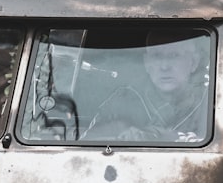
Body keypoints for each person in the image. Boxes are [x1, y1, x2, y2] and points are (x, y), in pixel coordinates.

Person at [81, 30, 210, 142]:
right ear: (147, 63)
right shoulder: (122, 101)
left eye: (174, 55)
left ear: (194, 62)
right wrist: (120, 133)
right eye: (157, 56)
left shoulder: (211, 102)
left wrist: (160, 137)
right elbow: (87, 142)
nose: (164, 66)